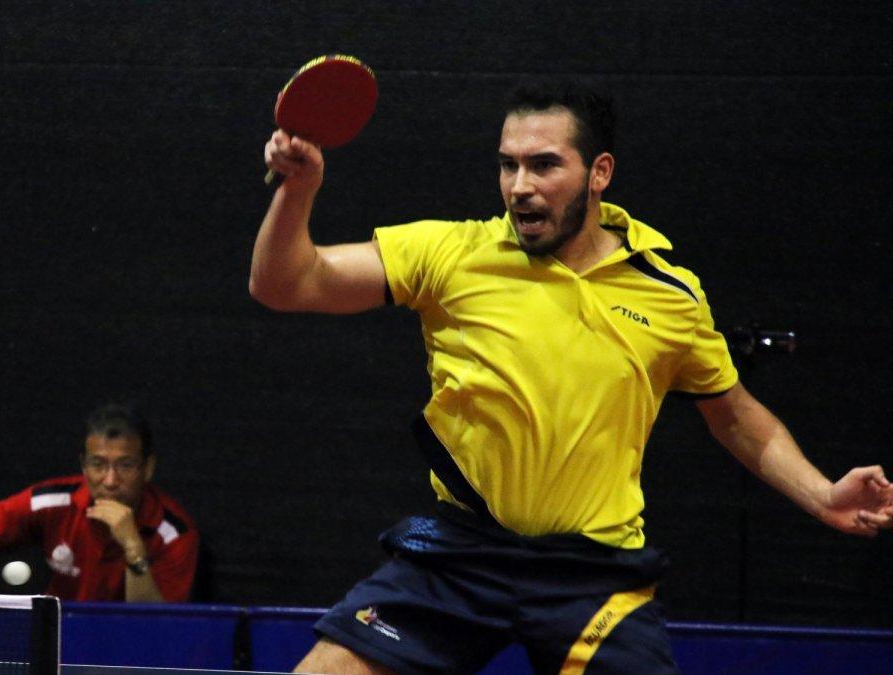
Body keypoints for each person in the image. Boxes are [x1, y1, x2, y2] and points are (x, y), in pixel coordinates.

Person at [251, 80, 893, 674]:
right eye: (508, 165)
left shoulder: (670, 294)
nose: (519, 186)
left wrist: (821, 495)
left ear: (599, 173)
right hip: (460, 557)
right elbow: (285, 284)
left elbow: (736, 417)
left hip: (593, 573)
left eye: (544, 165)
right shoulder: (451, 254)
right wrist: (298, 189)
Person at [0, 404, 198, 602]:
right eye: (98, 464)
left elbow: (154, 627)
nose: (110, 480)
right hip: (58, 640)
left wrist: (133, 547)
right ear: (83, 465)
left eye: (125, 465)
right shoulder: (53, 502)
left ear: (148, 468)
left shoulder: (173, 533)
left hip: (128, 648)